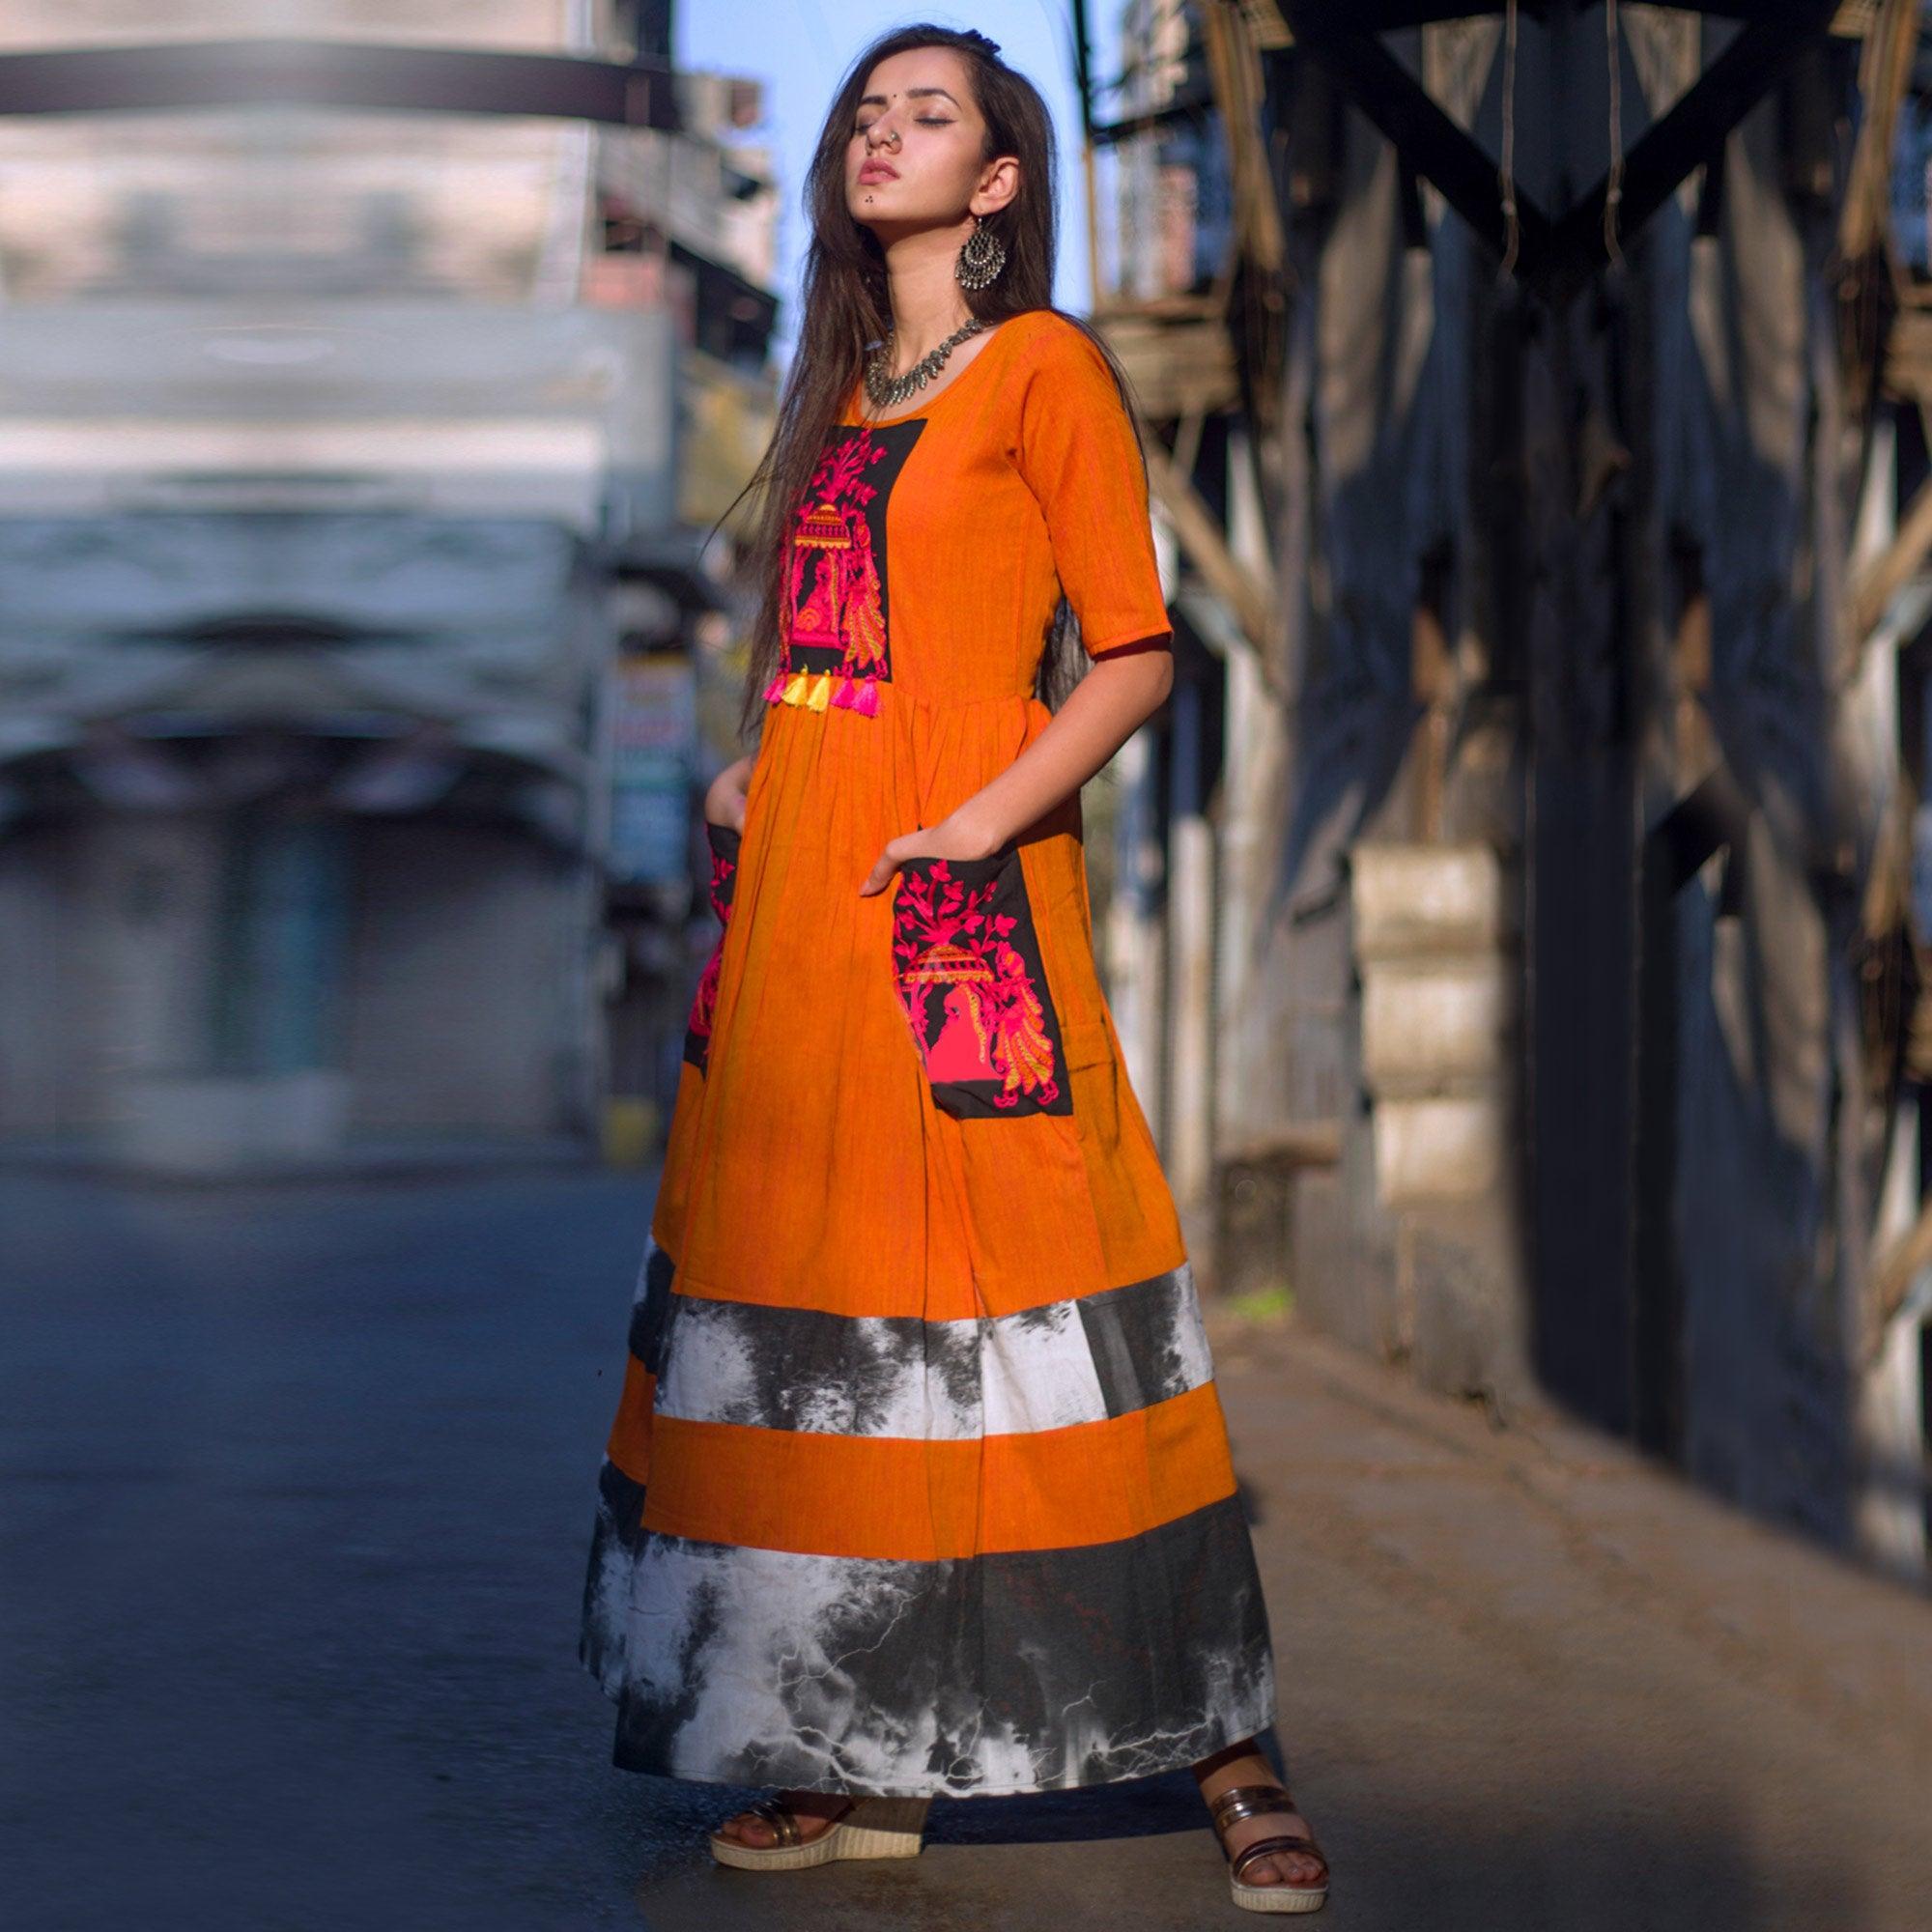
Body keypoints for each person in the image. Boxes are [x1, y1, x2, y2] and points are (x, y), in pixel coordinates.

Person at [578, 21, 1330, 1915]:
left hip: (956, 901)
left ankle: (1228, 1744)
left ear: (998, 183)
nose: (881, 132)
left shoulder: (1045, 368)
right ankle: (857, 1748)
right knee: (819, 1314)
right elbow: (839, 652)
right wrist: (762, 758)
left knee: (1059, 1298)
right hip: (804, 910)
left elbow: (1136, 650)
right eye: (869, 108)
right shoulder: (840, 398)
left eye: (932, 114)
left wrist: (980, 822)